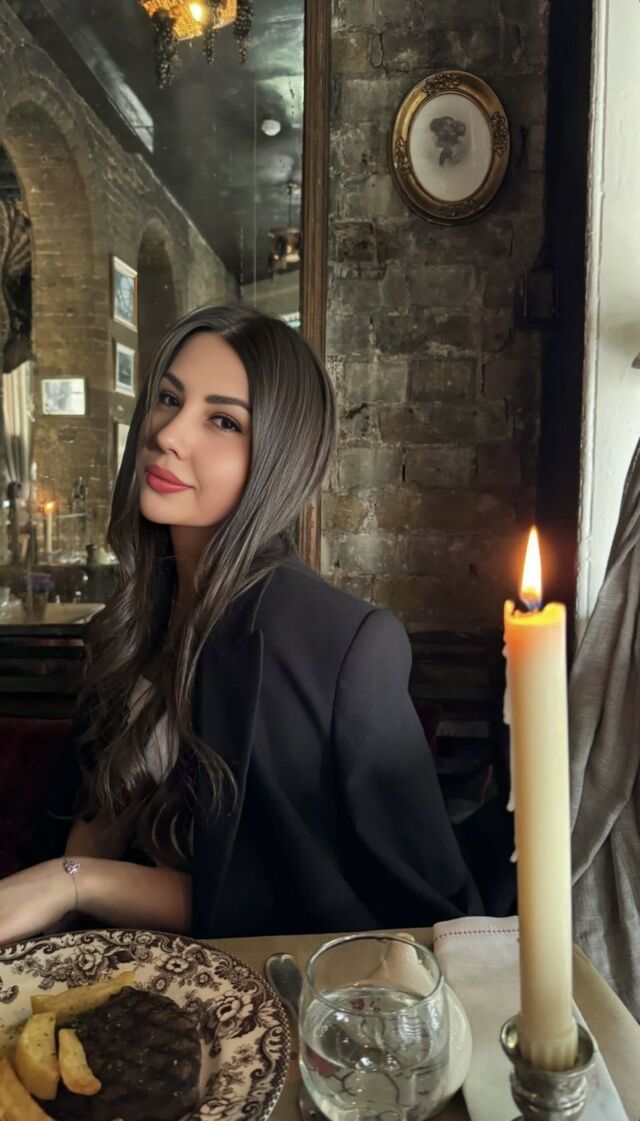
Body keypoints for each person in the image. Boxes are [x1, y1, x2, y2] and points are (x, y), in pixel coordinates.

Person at [0, 305, 481, 944]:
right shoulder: (135, 617)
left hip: (258, 990)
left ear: (279, 459)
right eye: (169, 399)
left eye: (223, 421)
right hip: (109, 969)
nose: (170, 434)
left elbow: (360, 908)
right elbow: (90, 820)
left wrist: (77, 881)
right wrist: (60, 901)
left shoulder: (339, 643)